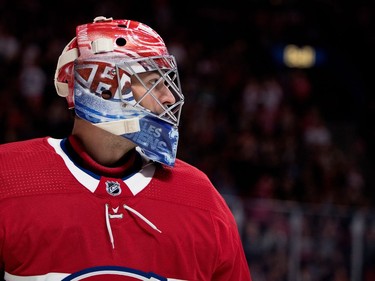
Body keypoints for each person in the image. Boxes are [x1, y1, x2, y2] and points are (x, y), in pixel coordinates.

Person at [0, 16, 252, 281]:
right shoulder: (9, 176)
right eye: (153, 80)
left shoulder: (202, 198)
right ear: (104, 86)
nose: (168, 97)